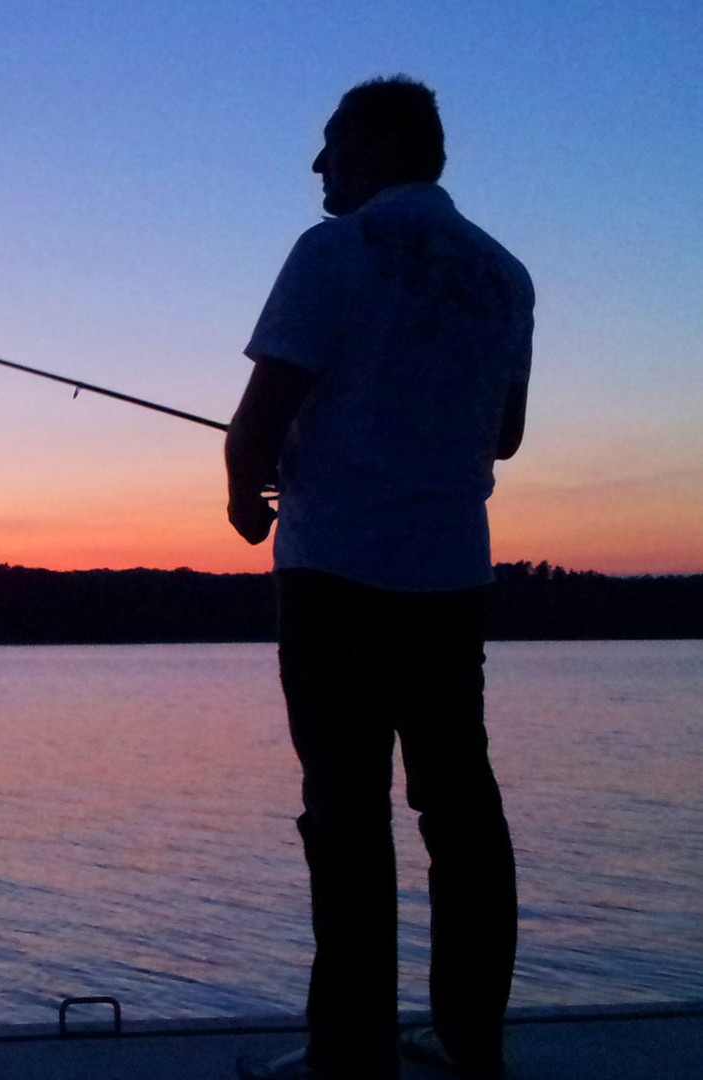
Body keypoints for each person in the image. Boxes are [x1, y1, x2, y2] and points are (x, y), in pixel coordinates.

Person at [225, 76, 533, 1080]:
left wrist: (245, 495)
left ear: (377, 147)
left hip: (336, 579)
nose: (318, 167)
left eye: (330, 146)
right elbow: (508, 435)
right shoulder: (505, 275)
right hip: (451, 580)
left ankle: (349, 1055)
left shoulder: (331, 252)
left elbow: (259, 420)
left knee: (347, 812)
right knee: (461, 810)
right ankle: (470, 1041)